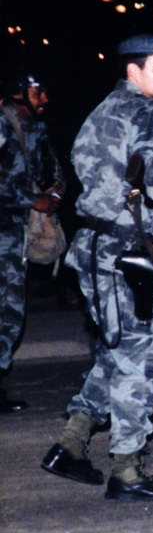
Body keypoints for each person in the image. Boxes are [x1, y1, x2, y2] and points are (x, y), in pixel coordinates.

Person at [40, 34, 153, 501]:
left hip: (96, 244)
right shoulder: (145, 112)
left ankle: (71, 445)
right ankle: (127, 471)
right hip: (124, 255)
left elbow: (96, 174)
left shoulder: (102, 110)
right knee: (140, 359)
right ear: (133, 71)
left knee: (117, 349)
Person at [1, 67, 65, 413]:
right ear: (18, 92)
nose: (45, 99)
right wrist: (31, 200)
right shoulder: (2, 123)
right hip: (6, 227)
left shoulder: (35, 127)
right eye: (38, 91)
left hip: (13, 231)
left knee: (10, 310)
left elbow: (45, 171)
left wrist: (52, 191)